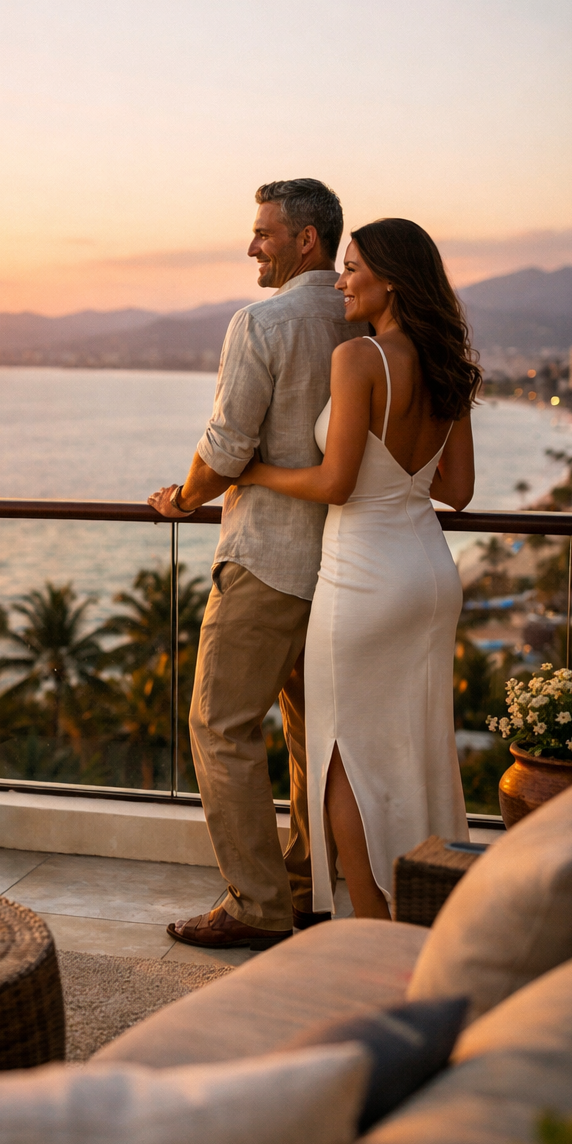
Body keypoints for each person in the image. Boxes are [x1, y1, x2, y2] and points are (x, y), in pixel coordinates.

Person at [233, 218, 479, 917]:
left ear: (391, 279)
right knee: (420, 750)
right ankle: (428, 910)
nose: (341, 281)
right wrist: (395, 480)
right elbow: (456, 490)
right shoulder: (446, 362)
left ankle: (371, 924)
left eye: (352, 268)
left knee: (341, 753)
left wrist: (253, 471)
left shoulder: (360, 358)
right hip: (428, 573)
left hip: (363, 575)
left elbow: (335, 482)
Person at [149, 178, 363, 951]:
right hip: (342, 559)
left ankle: (256, 904)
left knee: (220, 723)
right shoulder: (363, 317)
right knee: (311, 733)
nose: (251, 246)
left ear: (306, 239)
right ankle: (307, 888)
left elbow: (228, 445)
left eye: (263, 232)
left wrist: (183, 497)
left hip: (268, 555)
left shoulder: (262, 322)